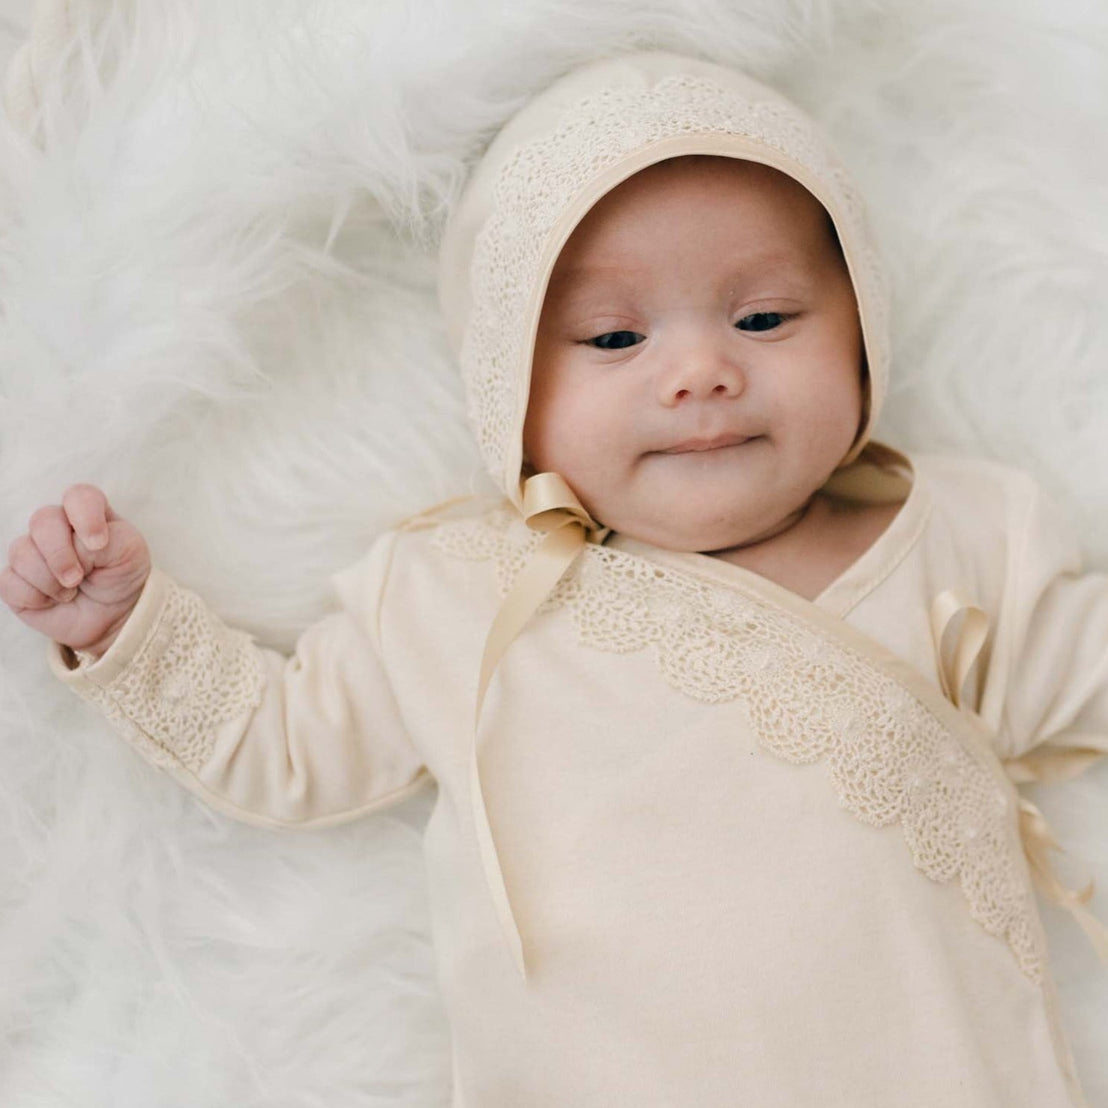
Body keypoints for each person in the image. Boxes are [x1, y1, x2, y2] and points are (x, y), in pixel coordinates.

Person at [2, 50, 1107, 1106]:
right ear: (504, 388)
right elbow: (284, 748)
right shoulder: (454, 594)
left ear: (863, 335)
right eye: (614, 337)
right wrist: (126, 627)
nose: (700, 372)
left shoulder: (962, 540)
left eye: (764, 318)